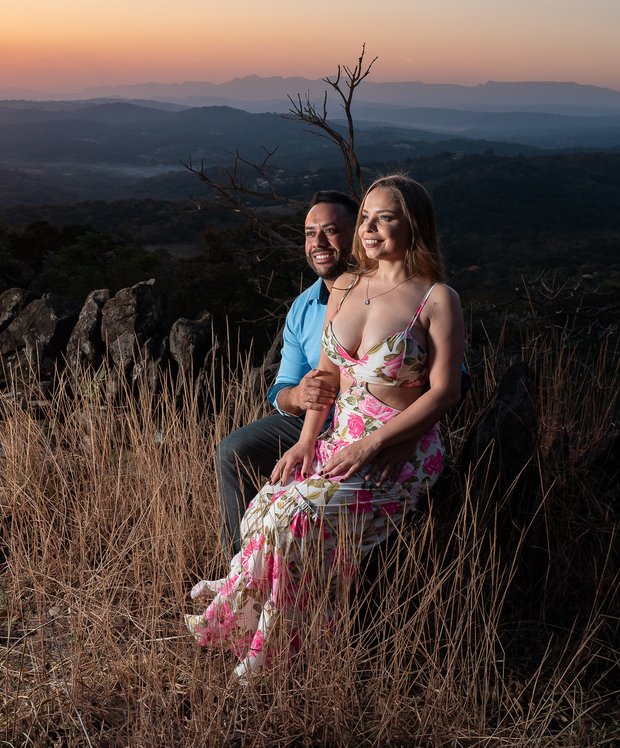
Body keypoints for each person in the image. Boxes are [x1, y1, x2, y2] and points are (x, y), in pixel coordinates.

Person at [187, 175, 465, 682]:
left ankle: (272, 657)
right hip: (335, 436)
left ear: (414, 224)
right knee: (266, 506)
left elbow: (445, 393)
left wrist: (378, 442)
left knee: (296, 518)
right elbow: (325, 379)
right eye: (366, 218)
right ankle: (240, 607)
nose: (371, 228)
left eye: (385, 217)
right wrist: (304, 442)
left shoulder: (437, 299)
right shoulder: (344, 286)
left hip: (397, 446)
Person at [215, 190, 358, 556]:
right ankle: (241, 570)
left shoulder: (389, 293)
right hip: (312, 420)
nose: (318, 243)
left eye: (330, 231)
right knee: (233, 451)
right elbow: (280, 387)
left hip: (365, 424)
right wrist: (296, 396)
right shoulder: (304, 306)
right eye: (310, 234)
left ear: (357, 233)